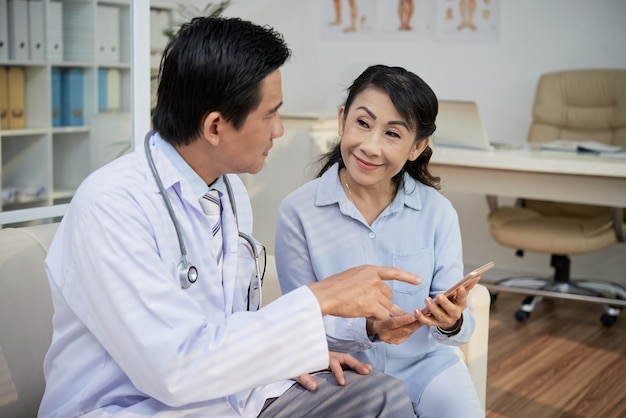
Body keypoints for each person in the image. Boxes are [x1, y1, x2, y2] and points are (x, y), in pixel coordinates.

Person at [38, 18, 421, 417]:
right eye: (270, 114)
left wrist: (292, 355)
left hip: (235, 396)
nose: (279, 129)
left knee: (381, 396)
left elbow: (232, 326)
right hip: (135, 407)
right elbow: (176, 369)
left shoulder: (228, 190)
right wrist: (319, 298)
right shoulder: (111, 206)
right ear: (216, 126)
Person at [275, 65, 484, 417]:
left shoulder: (437, 212)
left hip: (428, 366)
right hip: (343, 372)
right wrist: (369, 329)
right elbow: (300, 320)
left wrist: (453, 321)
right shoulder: (298, 211)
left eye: (392, 134)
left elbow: (458, 326)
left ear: (417, 146)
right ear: (342, 121)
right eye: (362, 123)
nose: (370, 146)